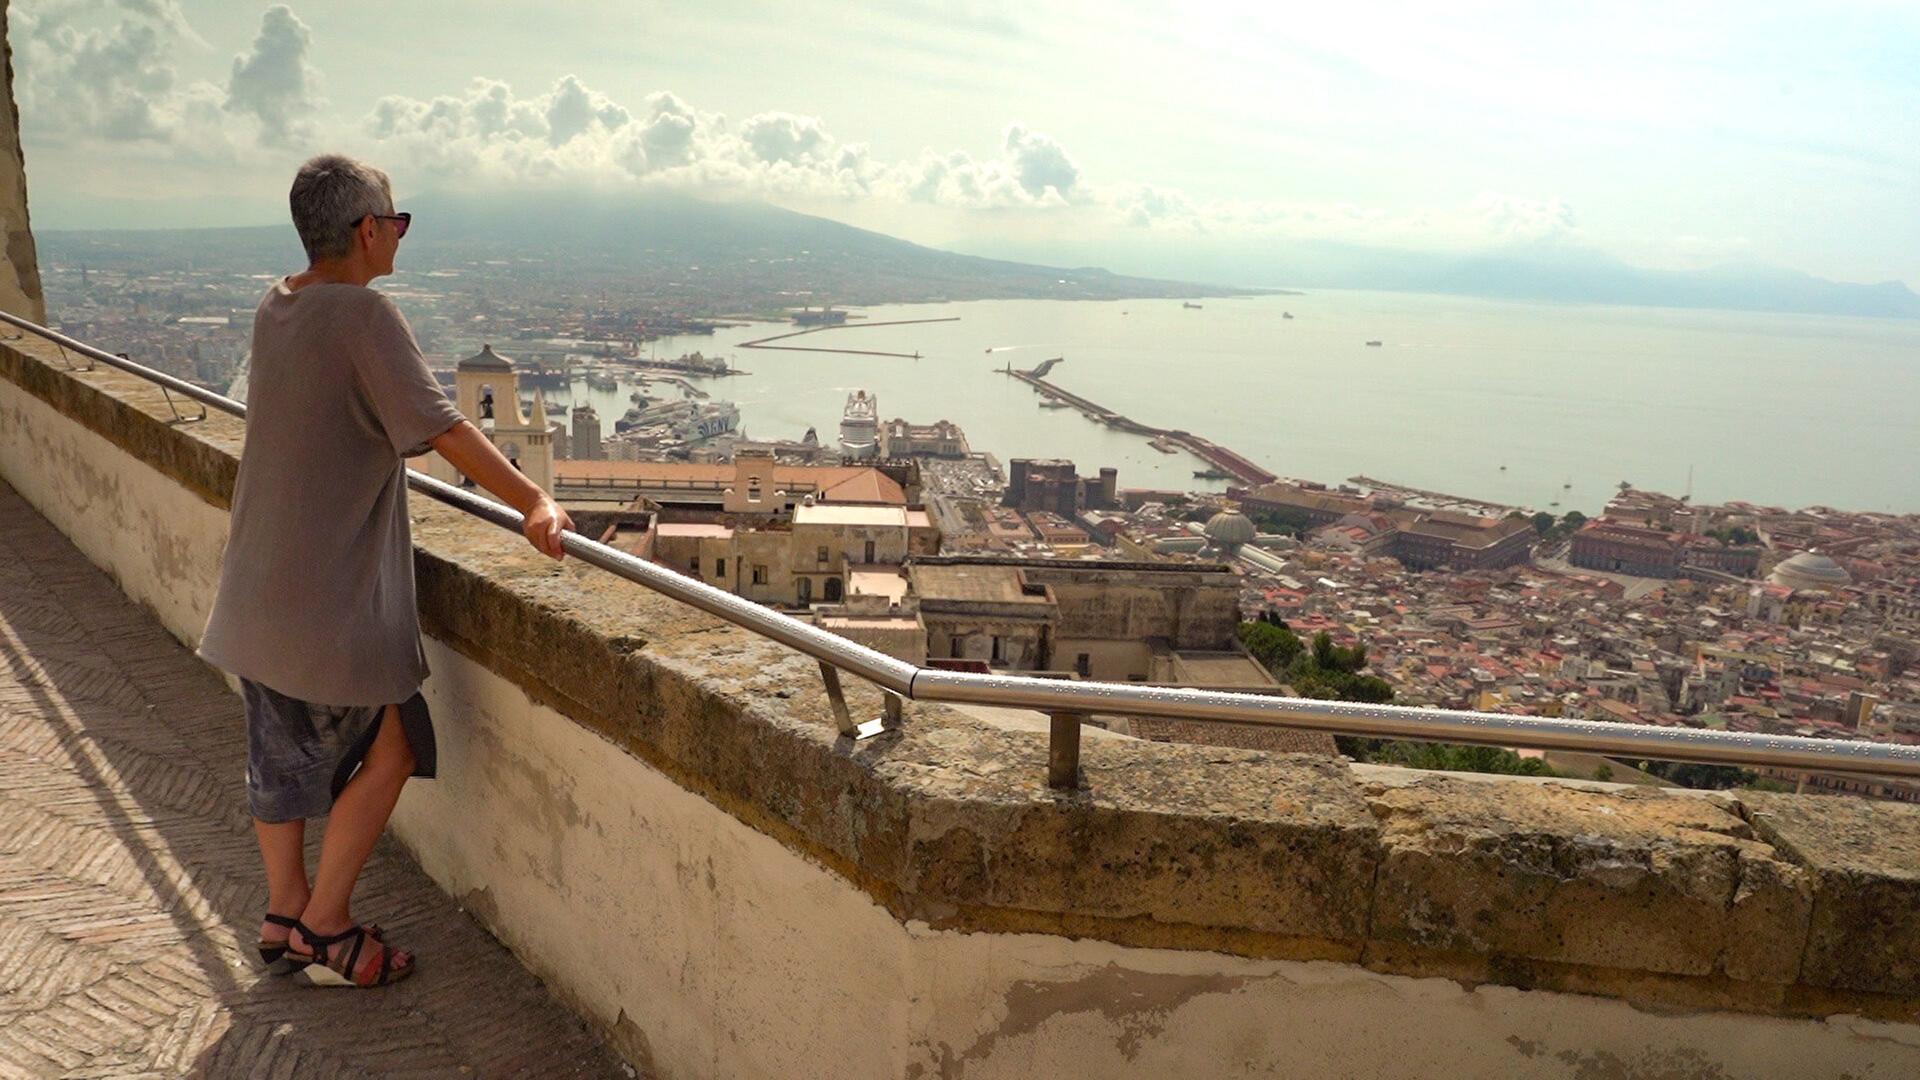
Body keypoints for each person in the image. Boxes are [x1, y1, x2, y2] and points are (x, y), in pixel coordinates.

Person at [198, 155, 574, 988]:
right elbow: (441, 427)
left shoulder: (276, 304)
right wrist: (532, 500)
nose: (399, 236)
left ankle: (283, 909)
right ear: (367, 229)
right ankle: (326, 926)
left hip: (252, 592)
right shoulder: (364, 316)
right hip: (327, 602)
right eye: (397, 222)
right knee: (398, 742)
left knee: (282, 757)